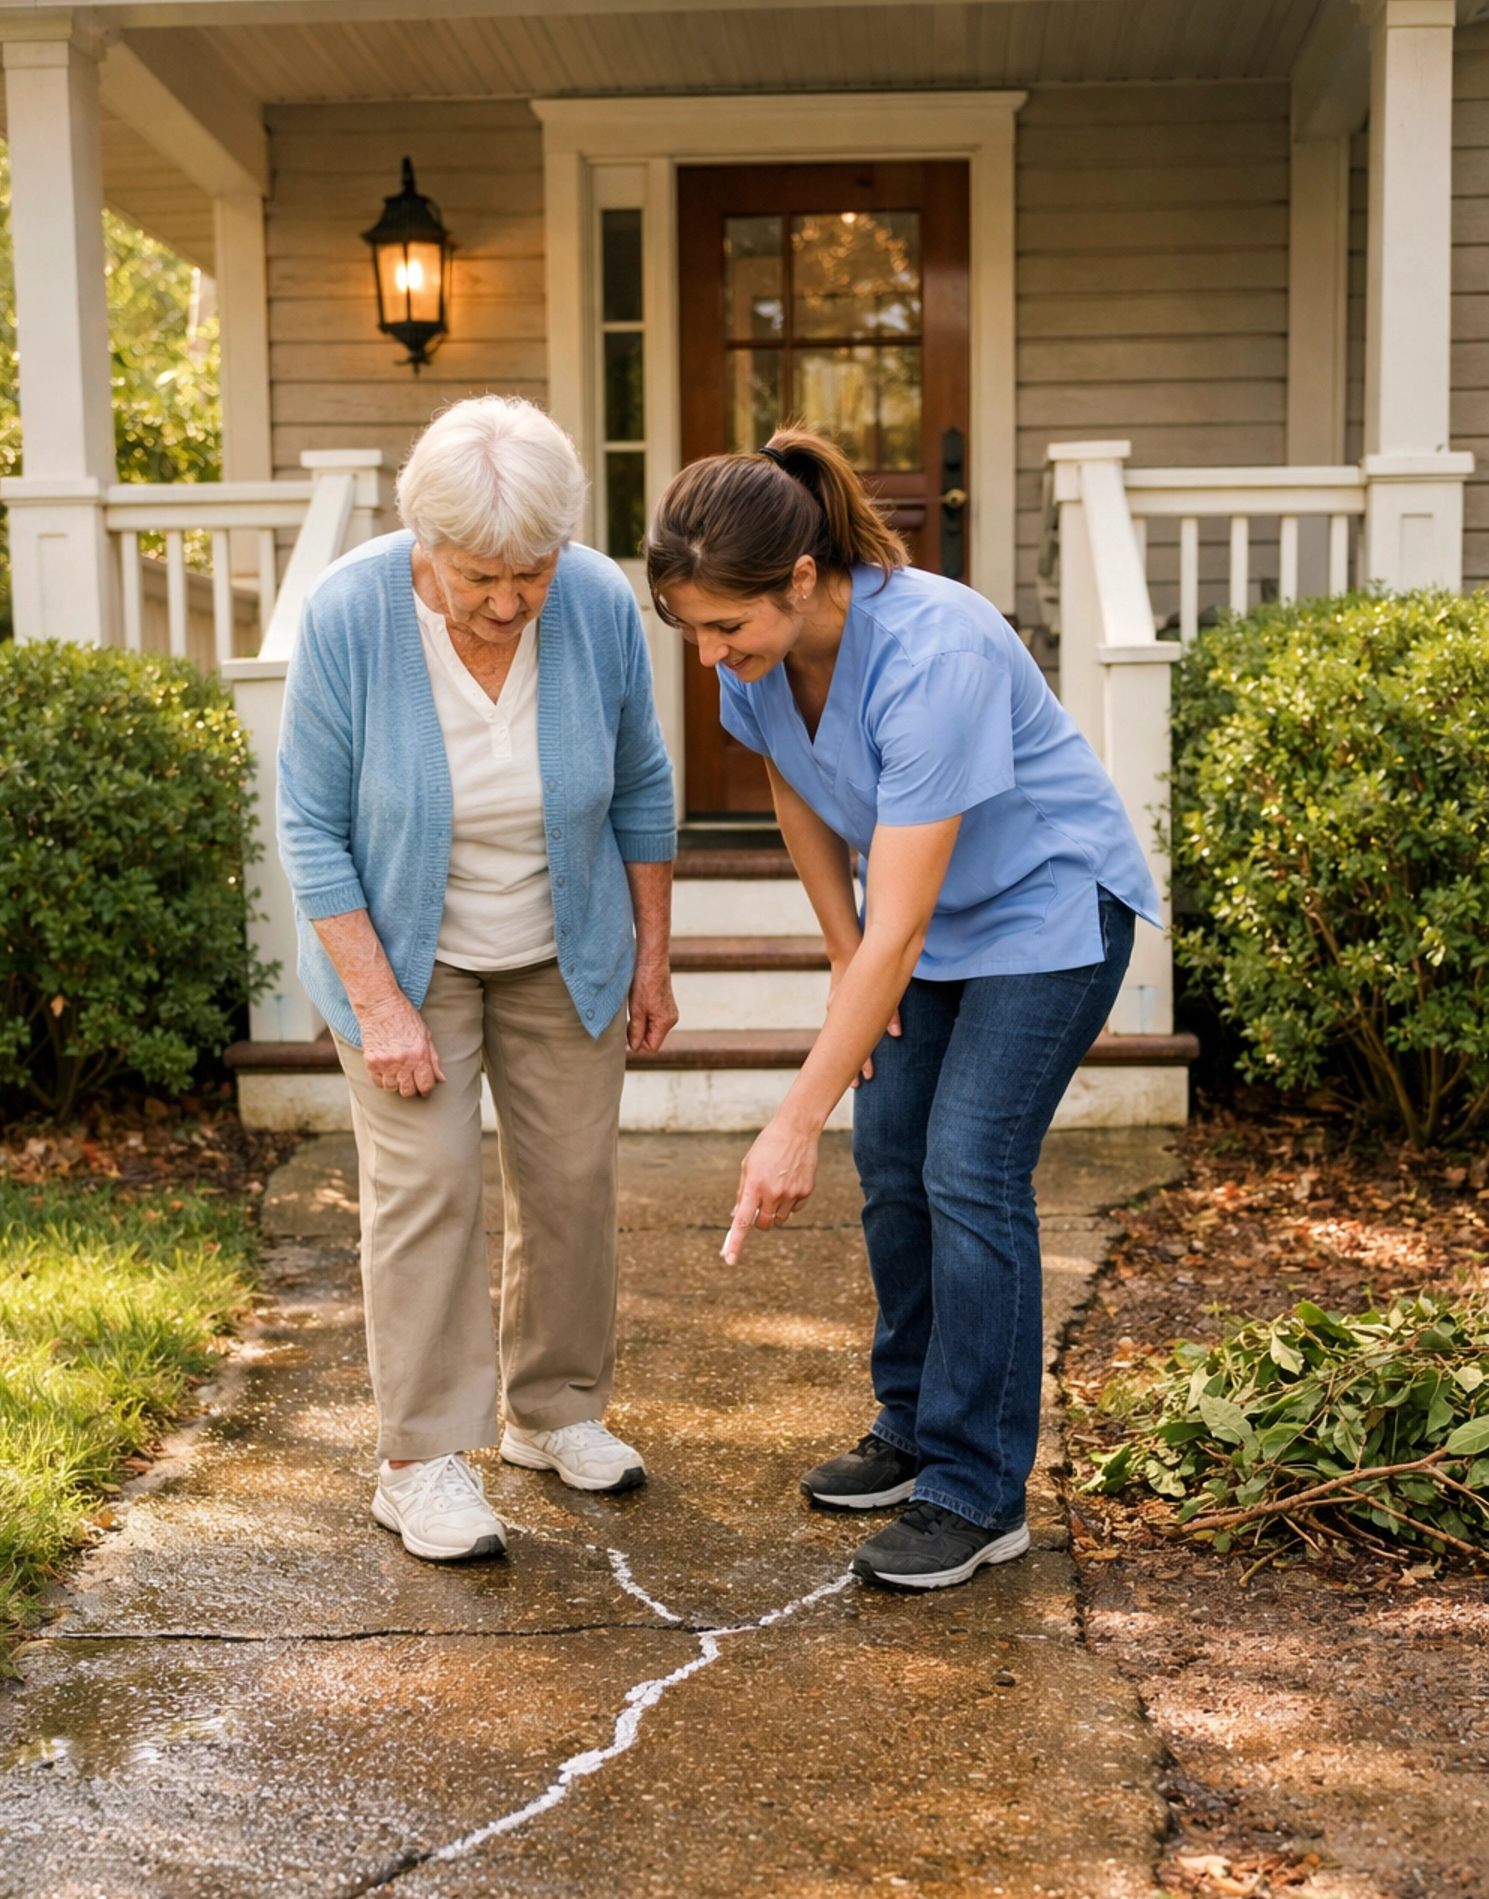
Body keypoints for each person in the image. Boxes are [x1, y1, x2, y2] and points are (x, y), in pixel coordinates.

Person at [645, 426, 1158, 1592]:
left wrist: (789, 1122)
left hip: (1049, 911)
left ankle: (977, 1492)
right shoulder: (761, 669)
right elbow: (795, 787)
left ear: (804, 579)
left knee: (969, 1166)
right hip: (918, 925)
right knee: (891, 1152)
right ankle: (916, 1420)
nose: (713, 657)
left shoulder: (938, 651)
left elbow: (909, 927)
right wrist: (840, 954)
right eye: (692, 633)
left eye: (728, 627)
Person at [278, 396, 677, 1565]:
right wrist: (380, 1004)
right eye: (476, 577)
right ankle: (419, 1461)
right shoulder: (353, 613)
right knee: (429, 1190)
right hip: (398, 949)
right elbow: (309, 825)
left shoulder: (596, 601)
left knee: (571, 1183)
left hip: (566, 938)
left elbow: (645, 785)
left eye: (530, 573)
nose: (506, 601)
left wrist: (652, 954)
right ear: (421, 543)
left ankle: (552, 1414)